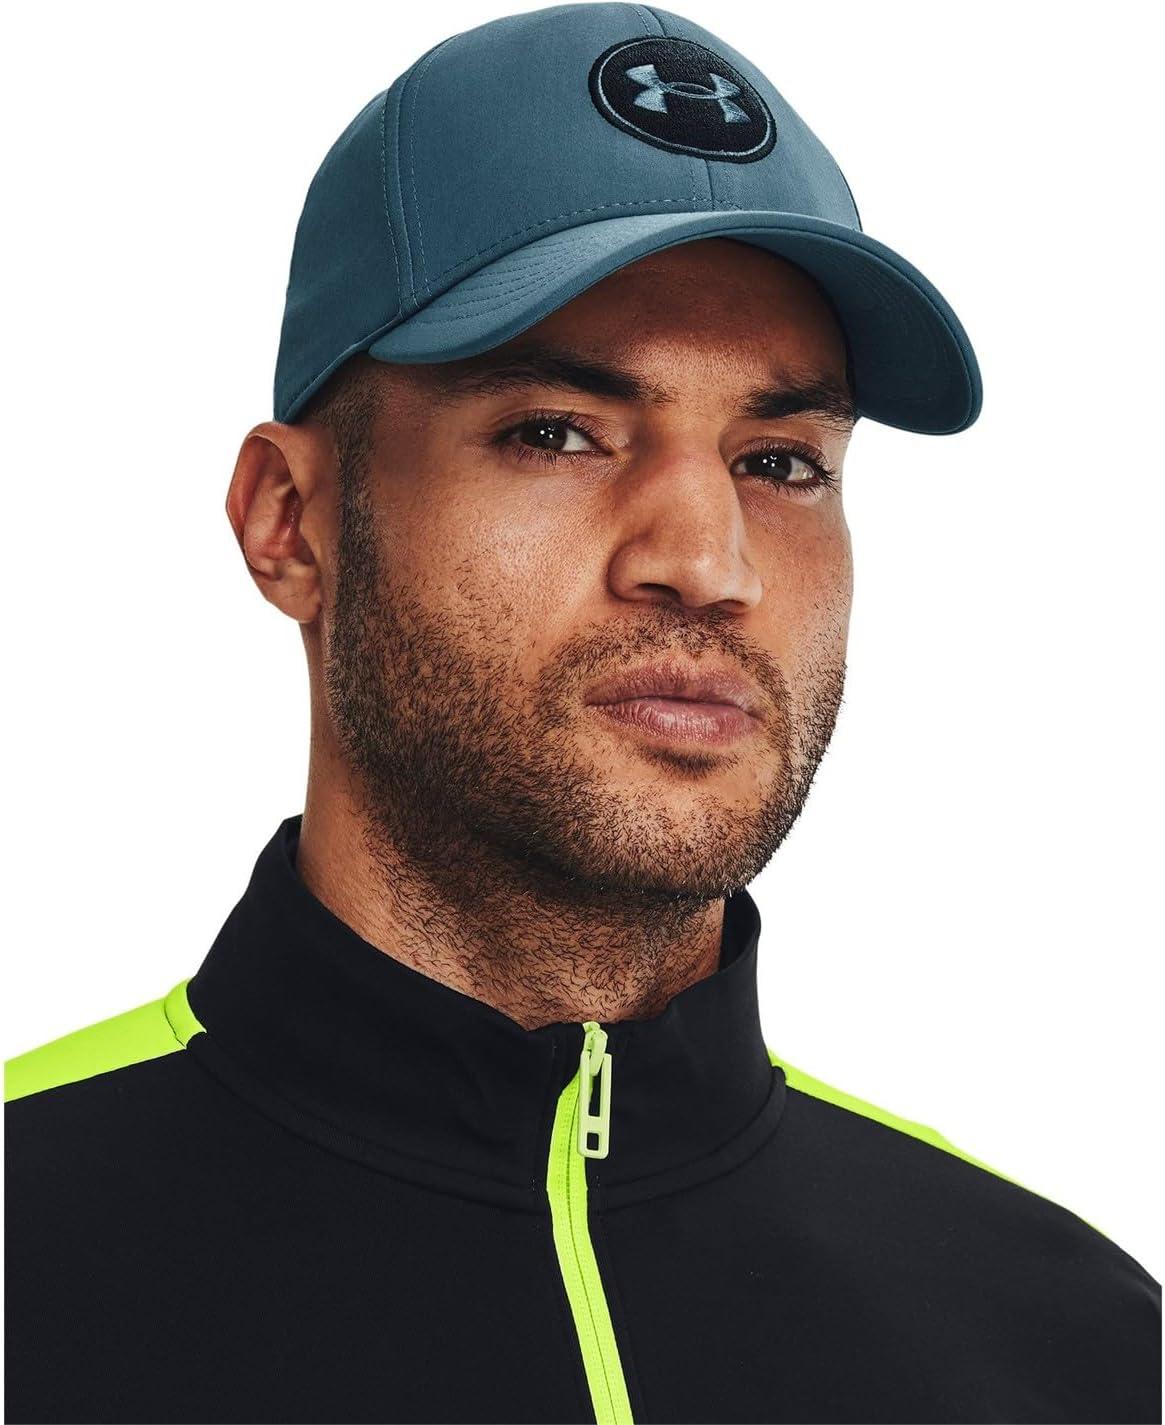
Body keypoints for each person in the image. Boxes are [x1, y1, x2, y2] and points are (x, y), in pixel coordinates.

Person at [5, 5, 1160, 1423]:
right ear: (289, 521)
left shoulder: (1073, 1345)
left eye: (780, 462)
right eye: (554, 432)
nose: (707, 563)